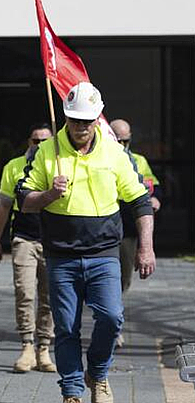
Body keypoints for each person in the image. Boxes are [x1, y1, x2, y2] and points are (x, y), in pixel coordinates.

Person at [17, 82, 156, 403]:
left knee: (111, 317)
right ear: (65, 117)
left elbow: (140, 202)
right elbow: (24, 200)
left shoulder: (115, 152)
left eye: (87, 119)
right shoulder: (45, 152)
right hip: (61, 256)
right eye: (75, 119)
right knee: (66, 327)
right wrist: (50, 194)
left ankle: (99, 372)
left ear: (98, 119)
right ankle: (72, 390)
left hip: (104, 253)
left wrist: (146, 247)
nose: (81, 126)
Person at [0, 123, 56, 373]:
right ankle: (27, 345)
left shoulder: (59, 164)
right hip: (23, 238)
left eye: (44, 141)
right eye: (35, 140)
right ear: (28, 142)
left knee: (49, 298)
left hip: (52, 241)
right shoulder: (14, 167)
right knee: (25, 292)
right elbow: (4, 206)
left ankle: (44, 348)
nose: (39, 145)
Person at [109, 118, 162, 348]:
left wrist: (156, 198)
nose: (120, 144)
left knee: (122, 281)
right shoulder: (103, 156)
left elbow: (153, 185)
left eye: (125, 140)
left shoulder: (138, 161)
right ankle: (111, 327)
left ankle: (112, 324)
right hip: (106, 226)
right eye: (116, 139)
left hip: (129, 230)